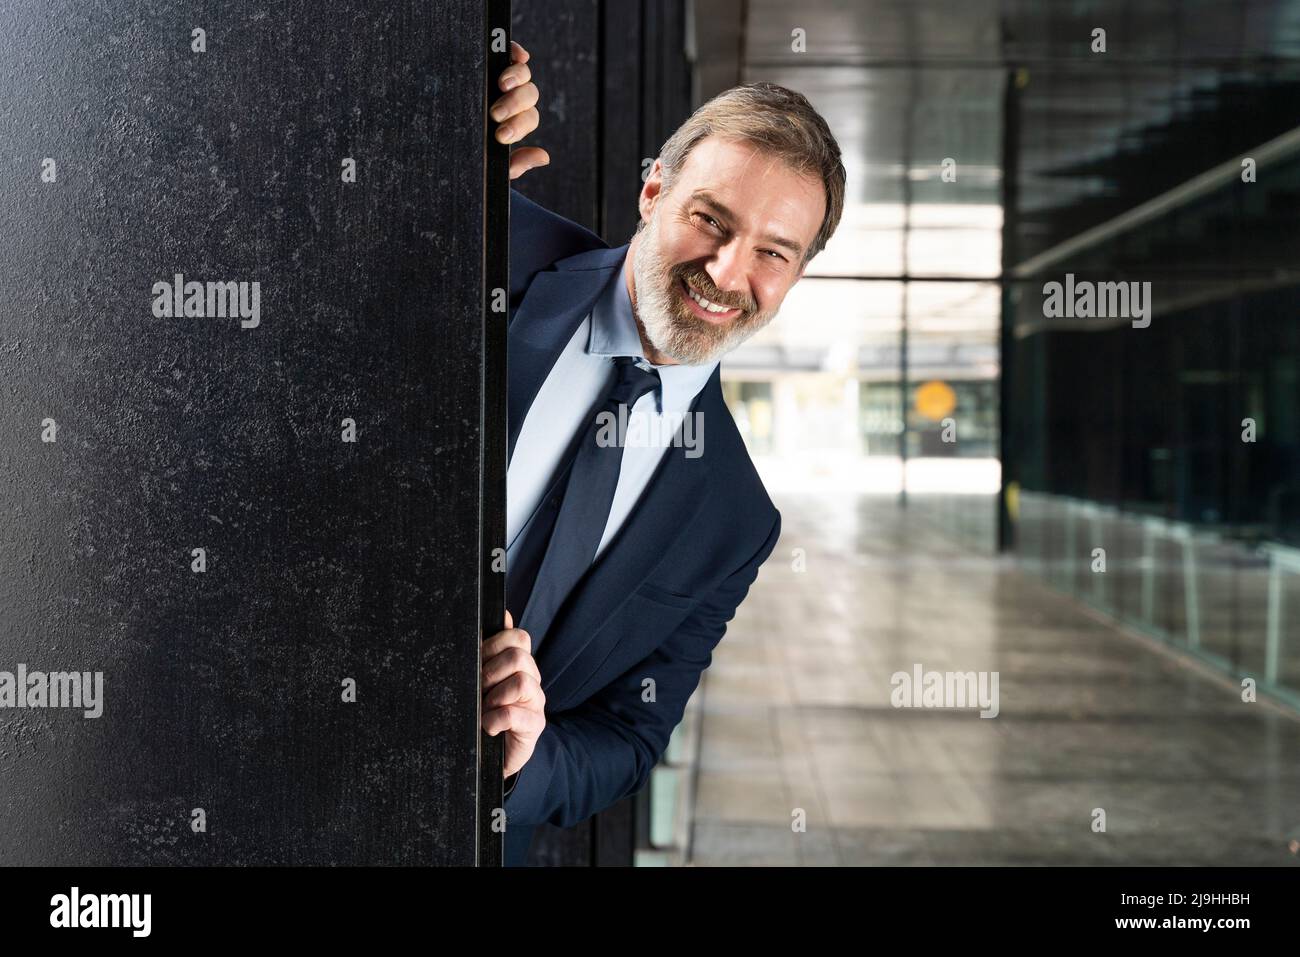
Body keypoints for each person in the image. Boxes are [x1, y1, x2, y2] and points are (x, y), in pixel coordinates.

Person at [484, 41, 845, 866]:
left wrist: (523, 755)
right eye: (710, 220)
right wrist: (435, 127)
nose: (726, 270)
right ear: (653, 192)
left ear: (792, 279)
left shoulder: (735, 519)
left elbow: (628, 737)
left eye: (772, 253)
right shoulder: (489, 240)